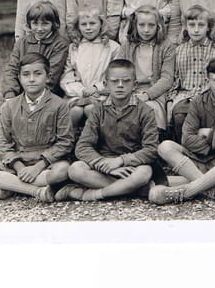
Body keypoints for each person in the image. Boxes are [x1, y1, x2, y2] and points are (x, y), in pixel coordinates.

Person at [149, 57, 215, 207]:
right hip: (197, 161)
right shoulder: (198, 102)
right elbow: (187, 139)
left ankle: (187, 191)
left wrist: (209, 133)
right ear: (208, 81)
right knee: (165, 147)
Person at [60, 59, 159, 201]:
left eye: (126, 81)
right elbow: (83, 146)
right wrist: (104, 164)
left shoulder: (146, 111)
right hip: (104, 165)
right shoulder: (98, 110)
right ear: (106, 85)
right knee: (75, 169)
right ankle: (136, 189)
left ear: (135, 85)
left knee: (143, 173)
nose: (120, 85)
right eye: (114, 81)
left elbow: (151, 149)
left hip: (132, 167)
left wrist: (121, 161)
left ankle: (94, 194)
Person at [0, 54, 72, 202]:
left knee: (63, 170)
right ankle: (36, 191)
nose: (31, 79)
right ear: (19, 77)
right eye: (26, 74)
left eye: (38, 74)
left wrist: (37, 167)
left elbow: (65, 142)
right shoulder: (10, 106)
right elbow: (1, 142)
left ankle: (9, 185)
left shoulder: (59, 105)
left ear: (48, 77)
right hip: (17, 162)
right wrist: (20, 168)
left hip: (46, 164)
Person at [169, 5, 215, 141]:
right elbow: (175, 81)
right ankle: (184, 147)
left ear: (208, 27)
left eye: (201, 25)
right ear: (186, 27)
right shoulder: (179, 51)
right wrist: (170, 102)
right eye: (191, 25)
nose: (196, 30)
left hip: (210, 95)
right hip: (186, 95)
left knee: (210, 117)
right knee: (180, 115)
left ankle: (208, 148)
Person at [60, 7, 122, 129]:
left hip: (102, 95)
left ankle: (99, 137)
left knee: (91, 109)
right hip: (77, 95)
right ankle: (70, 138)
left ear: (101, 25)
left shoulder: (113, 47)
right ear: (78, 27)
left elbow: (116, 76)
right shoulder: (74, 48)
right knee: (75, 111)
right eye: (84, 24)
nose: (88, 28)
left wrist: (96, 89)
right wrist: (82, 90)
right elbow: (67, 77)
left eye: (92, 23)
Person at [120, 5, 175, 133]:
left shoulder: (166, 46)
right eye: (141, 25)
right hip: (130, 91)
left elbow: (167, 79)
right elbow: (119, 72)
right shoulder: (127, 45)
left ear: (158, 26)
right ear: (135, 25)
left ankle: (152, 140)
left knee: (149, 110)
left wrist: (147, 95)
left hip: (154, 93)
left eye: (151, 25)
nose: (146, 30)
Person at [2, 1, 70, 99]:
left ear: (54, 24)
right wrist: (10, 93)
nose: (39, 28)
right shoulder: (22, 42)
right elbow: (11, 69)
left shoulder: (60, 44)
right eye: (35, 23)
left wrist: (28, 99)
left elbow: (51, 77)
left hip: (47, 95)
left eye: (45, 24)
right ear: (29, 24)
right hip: (21, 94)